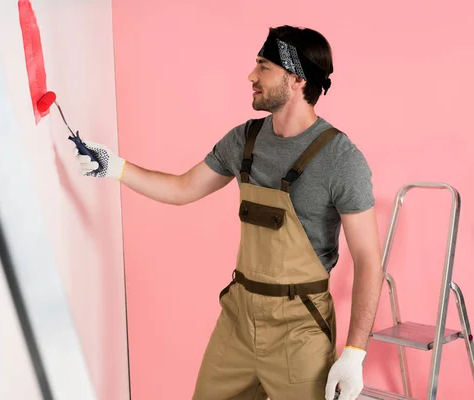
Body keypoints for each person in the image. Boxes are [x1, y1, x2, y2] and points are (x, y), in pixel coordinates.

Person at [73, 25, 383, 400]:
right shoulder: (244, 140)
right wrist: (115, 166)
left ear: (297, 79)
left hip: (300, 328)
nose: (251, 76)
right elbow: (182, 188)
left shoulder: (341, 159)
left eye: (264, 66)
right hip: (238, 317)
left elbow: (368, 259)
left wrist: (354, 352)